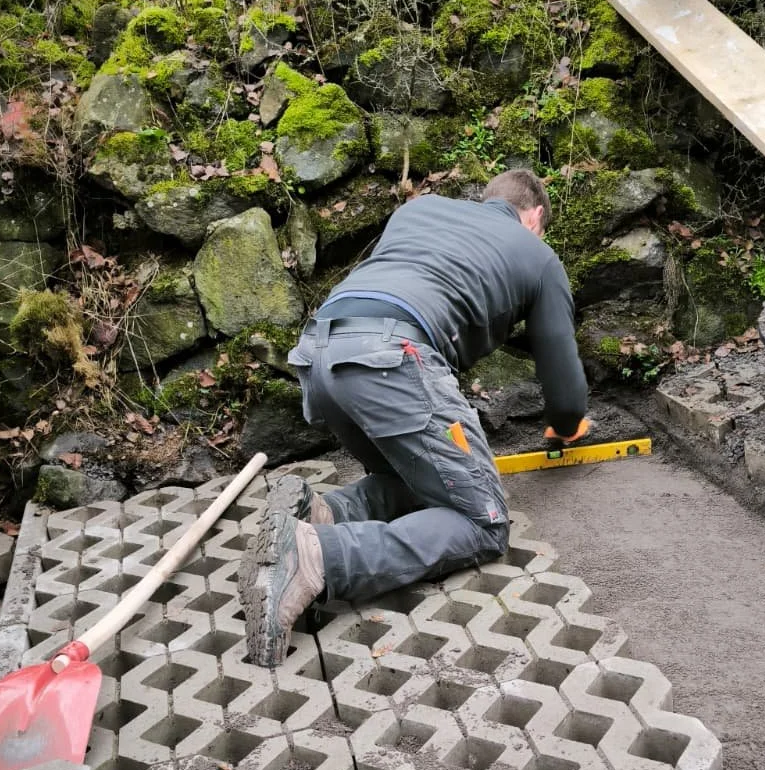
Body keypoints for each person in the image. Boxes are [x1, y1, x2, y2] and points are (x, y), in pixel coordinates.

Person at [241, 169, 590, 666]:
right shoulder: (536, 252)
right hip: (389, 356)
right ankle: (316, 556)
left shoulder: (420, 209)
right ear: (533, 217)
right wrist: (567, 422)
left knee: (418, 480)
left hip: (320, 352)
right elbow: (561, 369)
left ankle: (325, 513)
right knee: (482, 522)